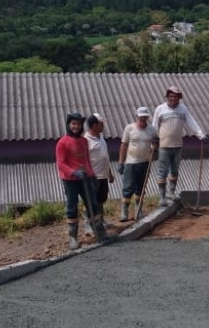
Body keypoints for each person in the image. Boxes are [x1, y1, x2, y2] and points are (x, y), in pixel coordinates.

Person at [55, 112, 107, 249]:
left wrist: (92, 175)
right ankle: (73, 237)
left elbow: (86, 160)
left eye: (78, 124)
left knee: (93, 204)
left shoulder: (84, 141)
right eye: (73, 124)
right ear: (68, 125)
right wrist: (73, 172)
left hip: (86, 178)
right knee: (72, 207)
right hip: (70, 180)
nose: (76, 126)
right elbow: (60, 163)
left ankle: (100, 232)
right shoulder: (62, 142)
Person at [152, 86, 207, 206]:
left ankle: (171, 192)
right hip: (164, 145)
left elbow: (191, 122)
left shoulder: (182, 109)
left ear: (179, 98)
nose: (173, 99)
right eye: (170, 96)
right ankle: (162, 196)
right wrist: (154, 139)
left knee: (175, 170)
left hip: (177, 145)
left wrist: (201, 135)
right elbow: (155, 125)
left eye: (175, 97)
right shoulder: (160, 109)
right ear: (167, 97)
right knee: (162, 171)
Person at [117, 107, 158, 221]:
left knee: (140, 187)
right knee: (128, 187)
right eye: (141, 117)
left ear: (147, 117)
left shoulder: (152, 130)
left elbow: (155, 144)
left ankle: (138, 211)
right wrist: (121, 162)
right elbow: (124, 145)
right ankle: (124, 212)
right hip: (131, 162)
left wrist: (155, 147)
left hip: (145, 162)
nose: (143, 119)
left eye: (145, 117)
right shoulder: (129, 128)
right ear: (137, 117)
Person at [84, 113, 115, 232]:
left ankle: (101, 220)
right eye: (101, 124)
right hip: (93, 176)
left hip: (103, 175)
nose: (103, 126)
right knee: (92, 200)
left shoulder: (101, 137)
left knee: (101, 198)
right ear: (94, 125)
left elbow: (105, 157)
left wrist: (110, 173)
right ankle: (88, 223)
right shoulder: (86, 140)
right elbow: (85, 159)